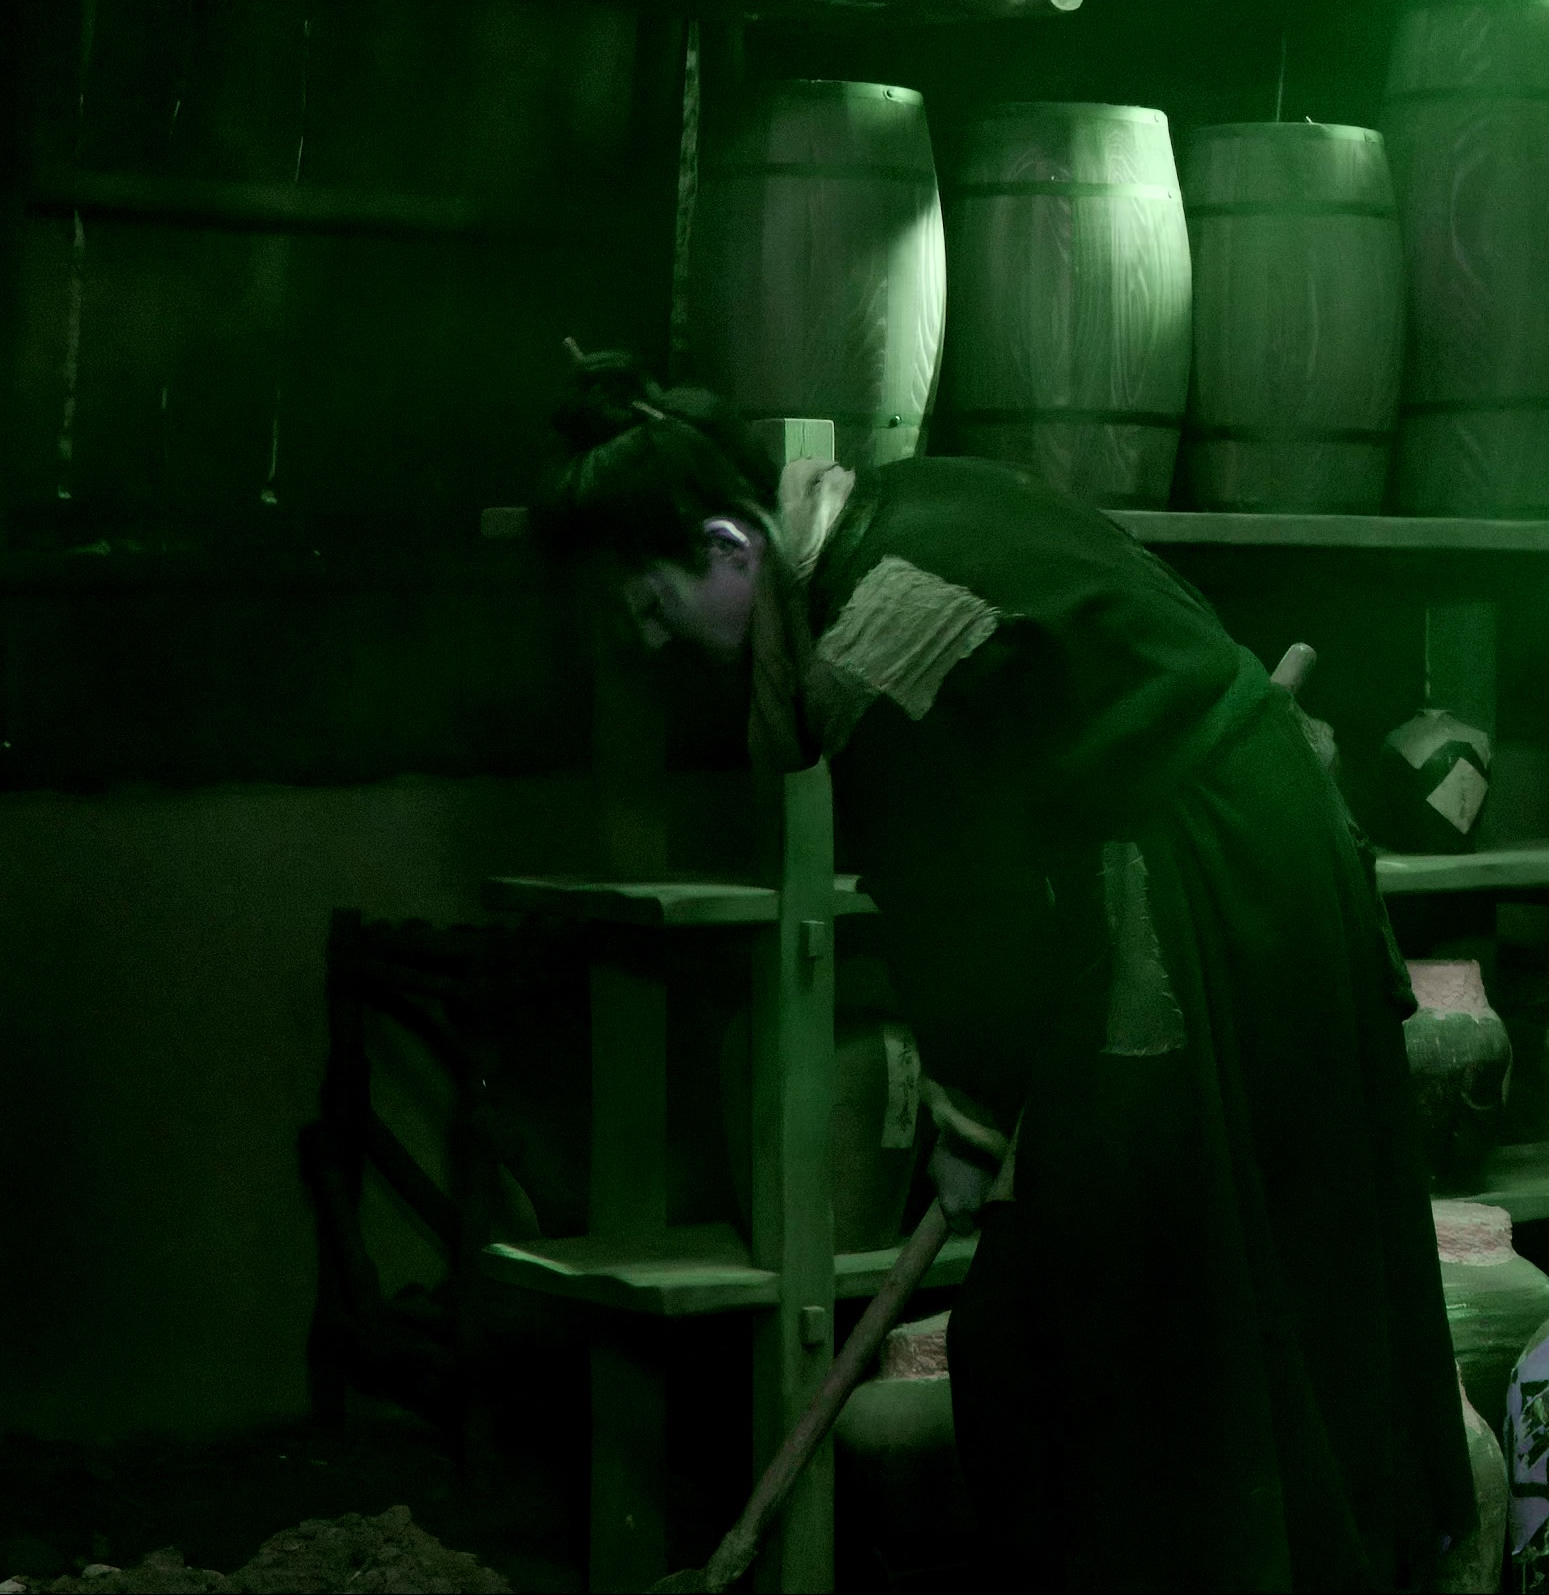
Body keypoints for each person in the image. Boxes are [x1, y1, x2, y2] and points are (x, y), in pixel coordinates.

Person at [535, 352, 1473, 1592]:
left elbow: (957, 906)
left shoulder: (874, 636)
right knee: (1173, 1268)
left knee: (1138, 1281)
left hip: (1212, 873)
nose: (657, 644)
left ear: (726, 547)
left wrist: (970, 1117)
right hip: (1227, 830)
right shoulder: (903, 505)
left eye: (654, 606)